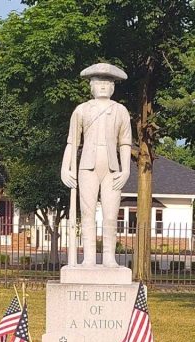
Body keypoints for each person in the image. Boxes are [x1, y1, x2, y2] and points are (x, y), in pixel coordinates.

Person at [61, 63, 133, 268]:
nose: (103, 86)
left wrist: (126, 169)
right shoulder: (81, 110)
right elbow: (72, 142)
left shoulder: (120, 111)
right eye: (98, 82)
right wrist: (65, 168)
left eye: (107, 82)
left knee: (111, 214)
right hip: (87, 167)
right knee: (87, 212)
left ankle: (109, 257)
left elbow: (125, 142)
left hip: (112, 168)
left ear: (113, 87)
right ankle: (89, 258)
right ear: (91, 86)